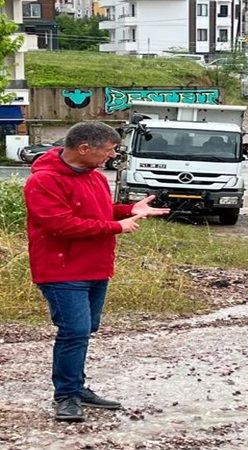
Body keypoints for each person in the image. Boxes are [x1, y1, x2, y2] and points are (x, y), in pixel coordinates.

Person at [23, 121, 170, 422]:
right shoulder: (44, 181)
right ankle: (67, 396)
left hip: (95, 267)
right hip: (61, 270)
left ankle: (76, 386)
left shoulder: (95, 178)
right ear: (84, 148)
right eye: (109, 150)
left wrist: (130, 210)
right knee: (74, 331)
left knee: (84, 330)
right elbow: (60, 224)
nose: (112, 155)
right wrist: (116, 227)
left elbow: (100, 212)